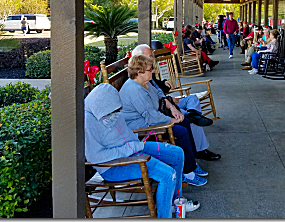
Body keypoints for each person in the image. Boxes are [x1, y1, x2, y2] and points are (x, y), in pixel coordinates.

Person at [84, 83, 200, 218]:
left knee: (177, 153)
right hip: (112, 166)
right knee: (167, 175)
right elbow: (95, 157)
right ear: (101, 107)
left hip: (133, 149)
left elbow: (125, 133)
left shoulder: (111, 108)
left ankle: (175, 202)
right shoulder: (88, 122)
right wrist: (130, 149)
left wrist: (135, 146)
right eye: (112, 111)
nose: (116, 114)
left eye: (117, 110)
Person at [119, 55, 210, 187]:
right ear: (139, 72)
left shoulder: (145, 82)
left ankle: (191, 163)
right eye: (150, 69)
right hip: (142, 128)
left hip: (152, 120)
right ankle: (187, 173)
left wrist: (173, 108)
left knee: (184, 122)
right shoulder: (134, 90)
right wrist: (172, 120)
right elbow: (151, 117)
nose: (153, 72)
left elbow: (160, 95)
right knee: (181, 131)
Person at [131, 44, 213, 127]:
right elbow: (152, 103)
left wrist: (165, 83)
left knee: (193, 98)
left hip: (166, 103)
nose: (152, 58)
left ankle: (193, 115)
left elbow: (158, 88)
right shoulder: (141, 78)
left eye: (152, 56)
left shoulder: (147, 73)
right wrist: (170, 101)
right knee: (183, 117)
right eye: (149, 56)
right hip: (163, 107)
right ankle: (193, 117)